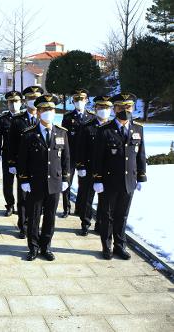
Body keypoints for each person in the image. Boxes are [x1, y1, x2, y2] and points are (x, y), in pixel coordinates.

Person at [92, 93, 146, 260]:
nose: (125, 110)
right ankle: (106, 246)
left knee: (122, 215)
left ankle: (120, 245)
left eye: (128, 106)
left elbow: (141, 155)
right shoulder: (104, 130)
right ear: (114, 109)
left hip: (128, 180)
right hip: (108, 181)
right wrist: (97, 179)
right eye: (121, 107)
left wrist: (141, 176)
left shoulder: (137, 129)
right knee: (107, 215)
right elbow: (97, 158)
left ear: (132, 108)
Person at [18, 94, 70, 261]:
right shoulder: (28, 134)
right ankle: (33, 247)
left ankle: (46, 246)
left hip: (54, 182)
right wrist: (24, 179)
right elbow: (22, 160)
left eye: (51, 109)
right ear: (38, 112)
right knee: (33, 217)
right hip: (35, 183)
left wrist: (65, 179)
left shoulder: (62, 133)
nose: (48, 112)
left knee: (50, 216)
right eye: (45, 109)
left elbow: (66, 158)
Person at [6, 86, 44, 238]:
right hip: (22, 164)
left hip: (39, 165)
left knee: (38, 198)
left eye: (36, 98)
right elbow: (11, 143)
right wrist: (11, 163)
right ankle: (23, 225)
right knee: (23, 196)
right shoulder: (17, 120)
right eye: (30, 98)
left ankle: (35, 224)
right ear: (25, 100)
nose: (33, 101)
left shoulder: (44, 118)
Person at [75, 95, 113, 236]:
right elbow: (80, 149)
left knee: (105, 200)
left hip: (107, 170)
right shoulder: (87, 127)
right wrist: (81, 166)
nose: (104, 110)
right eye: (101, 107)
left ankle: (100, 224)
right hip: (90, 168)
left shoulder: (113, 127)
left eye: (107, 107)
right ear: (95, 108)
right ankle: (85, 223)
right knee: (87, 199)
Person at [61, 88, 95, 218]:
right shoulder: (68, 117)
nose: (79, 101)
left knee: (84, 185)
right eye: (76, 99)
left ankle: (80, 208)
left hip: (85, 157)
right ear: (73, 101)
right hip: (71, 154)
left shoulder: (91, 117)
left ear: (86, 100)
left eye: (82, 99)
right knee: (66, 182)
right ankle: (66, 208)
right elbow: (63, 136)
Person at [0, 90, 23, 217]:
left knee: (23, 183)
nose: (13, 104)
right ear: (7, 104)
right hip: (7, 155)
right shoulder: (2, 119)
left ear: (21, 102)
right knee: (8, 183)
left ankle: (21, 206)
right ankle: (10, 205)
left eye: (16, 101)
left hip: (23, 156)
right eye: (10, 102)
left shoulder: (25, 118)